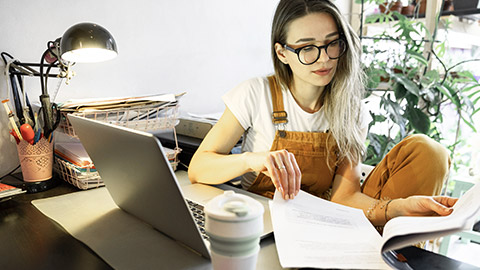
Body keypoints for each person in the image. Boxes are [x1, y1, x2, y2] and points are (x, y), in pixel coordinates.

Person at [188, 0, 456, 228]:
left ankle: (398, 247)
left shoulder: (351, 109)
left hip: (324, 219)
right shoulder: (255, 93)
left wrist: (397, 208)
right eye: (307, 48)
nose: (324, 59)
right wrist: (250, 160)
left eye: (332, 44)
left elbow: (345, 196)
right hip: (265, 221)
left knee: (429, 152)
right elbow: (198, 169)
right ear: (282, 53)